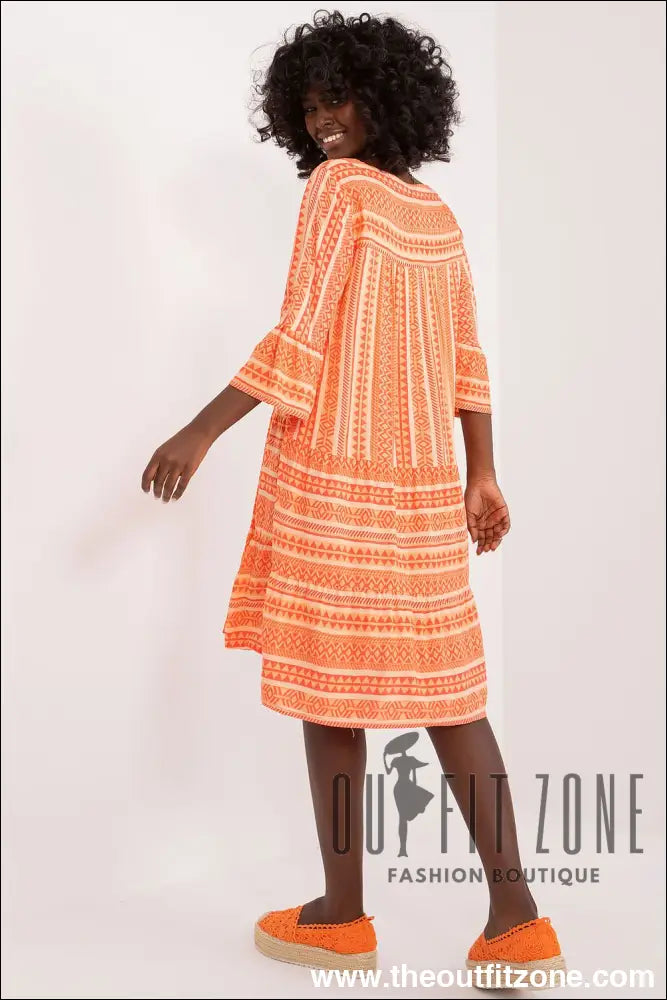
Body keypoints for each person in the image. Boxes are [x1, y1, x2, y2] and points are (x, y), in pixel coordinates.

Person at [141, 10, 566, 986]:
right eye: (309, 106)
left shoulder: (339, 192)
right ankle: (518, 923)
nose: (323, 120)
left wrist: (199, 429)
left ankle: (340, 917)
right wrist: (480, 472)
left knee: (329, 697)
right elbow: (467, 359)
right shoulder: (435, 213)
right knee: (450, 698)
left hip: (335, 476)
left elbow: (300, 332)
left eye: (339, 99)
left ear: (384, 99)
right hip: (421, 487)